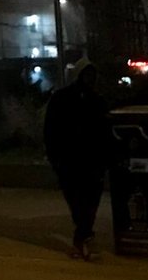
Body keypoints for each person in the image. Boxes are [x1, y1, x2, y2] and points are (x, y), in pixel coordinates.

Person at [43, 56, 115, 260]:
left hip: (87, 160)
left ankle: (83, 236)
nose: (91, 78)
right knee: (79, 200)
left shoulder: (92, 100)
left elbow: (104, 131)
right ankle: (85, 236)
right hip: (72, 160)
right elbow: (52, 130)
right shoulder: (69, 99)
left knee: (86, 200)